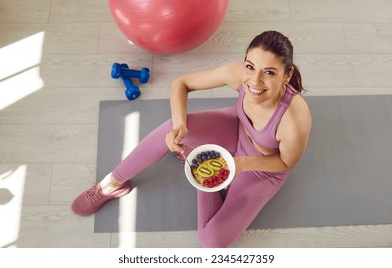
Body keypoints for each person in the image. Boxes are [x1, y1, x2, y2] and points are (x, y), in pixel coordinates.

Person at [71, 30, 312, 248]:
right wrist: (180, 125)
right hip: (235, 129)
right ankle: (111, 184)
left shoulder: (295, 120)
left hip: (263, 168)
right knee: (170, 129)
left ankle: (198, 168)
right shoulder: (239, 74)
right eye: (251, 66)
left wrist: (242, 164)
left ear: (287, 74)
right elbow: (182, 83)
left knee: (212, 242)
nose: (255, 81)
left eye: (269, 72)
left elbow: (286, 163)